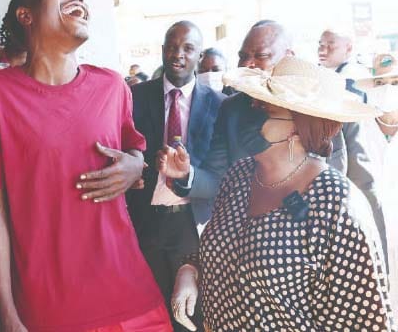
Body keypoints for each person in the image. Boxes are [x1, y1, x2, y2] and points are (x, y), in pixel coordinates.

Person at [0, 0, 169, 331]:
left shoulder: (112, 86)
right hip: (49, 307)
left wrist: (136, 164)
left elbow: (135, 150)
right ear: (27, 15)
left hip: (130, 294)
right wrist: (6, 308)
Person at [167, 56, 394, 331]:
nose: (248, 113)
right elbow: (227, 249)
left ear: (298, 127)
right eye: (253, 103)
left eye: (264, 108)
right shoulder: (239, 176)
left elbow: (366, 323)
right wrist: (189, 270)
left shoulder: (336, 203)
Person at [167, 20, 385, 263]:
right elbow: (219, 180)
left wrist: (377, 259)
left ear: (288, 56)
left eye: (260, 55)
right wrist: (187, 175)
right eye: (242, 55)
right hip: (251, 255)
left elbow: (364, 186)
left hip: (325, 253)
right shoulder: (232, 111)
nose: (248, 63)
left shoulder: (332, 108)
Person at [127, 21, 224, 330]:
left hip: (192, 225)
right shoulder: (133, 97)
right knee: (149, 313)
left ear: (199, 55)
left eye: (188, 48)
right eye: (171, 46)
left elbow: (221, 176)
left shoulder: (221, 105)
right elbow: (122, 146)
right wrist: (136, 170)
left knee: (190, 317)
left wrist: (189, 174)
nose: (177, 54)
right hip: (145, 222)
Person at [357, 53, 398, 316]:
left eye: (395, 82)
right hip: (370, 235)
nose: (388, 89)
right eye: (381, 82)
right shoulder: (355, 127)